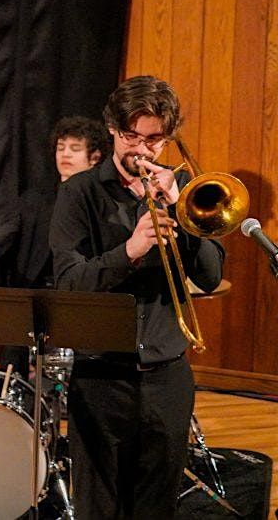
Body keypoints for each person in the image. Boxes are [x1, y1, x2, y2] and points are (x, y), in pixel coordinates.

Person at [49, 76, 225, 518]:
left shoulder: (184, 189)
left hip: (168, 377)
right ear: (112, 129)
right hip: (101, 377)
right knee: (99, 508)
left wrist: (180, 207)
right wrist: (129, 250)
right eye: (131, 137)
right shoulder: (79, 193)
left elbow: (210, 277)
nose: (142, 150)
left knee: (156, 508)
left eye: (154, 140)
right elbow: (69, 284)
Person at [0, 116, 111, 374]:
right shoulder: (37, 200)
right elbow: (6, 232)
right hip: (37, 293)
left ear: (95, 157)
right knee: (14, 354)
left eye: (75, 148)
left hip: (79, 295)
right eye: (61, 147)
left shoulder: (102, 202)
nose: (65, 154)